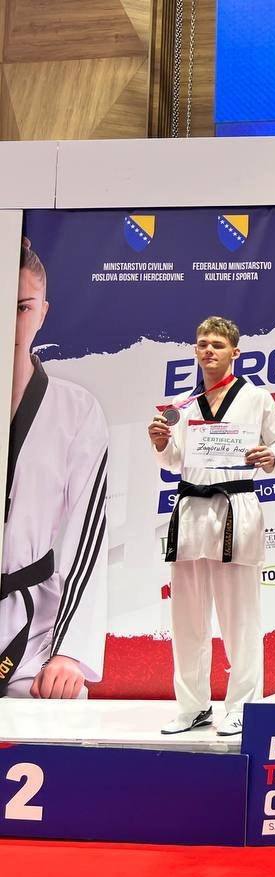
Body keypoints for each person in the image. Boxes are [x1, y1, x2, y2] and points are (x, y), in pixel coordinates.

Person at [147, 317, 275, 736]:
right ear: (195, 351)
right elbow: (174, 461)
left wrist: (271, 457)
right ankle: (192, 706)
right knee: (187, 619)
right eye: (202, 344)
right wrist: (161, 443)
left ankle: (244, 706)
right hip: (191, 509)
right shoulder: (184, 403)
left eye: (217, 344)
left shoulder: (256, 398)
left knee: (240, 617)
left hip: (236, 508)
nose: (208, 350)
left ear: (235, 352)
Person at [2, 237, 109, 699]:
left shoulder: (76, 410)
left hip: (32, 634)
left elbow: (89, 537)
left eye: (22, 307)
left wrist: (68, 651)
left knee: (60, 706)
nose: (11, 321)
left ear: (43, 312)